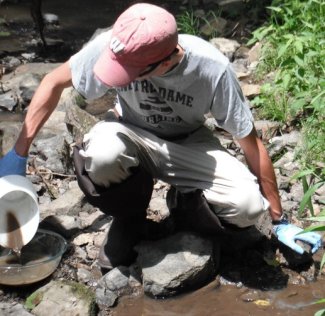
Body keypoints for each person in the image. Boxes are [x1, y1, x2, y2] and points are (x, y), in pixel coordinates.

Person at [0, 3, 322, 269]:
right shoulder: (116, 44)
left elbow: (252, 145)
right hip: (130, 133)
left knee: (248, 206)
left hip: (189, 141)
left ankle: (184, 207)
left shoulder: (212, 69)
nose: (117, 74)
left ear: (167, 59)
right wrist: (18, 155)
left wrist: (279, 219)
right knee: (100, 154)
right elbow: (53, 82)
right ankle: (130, 219)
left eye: (127, 71)